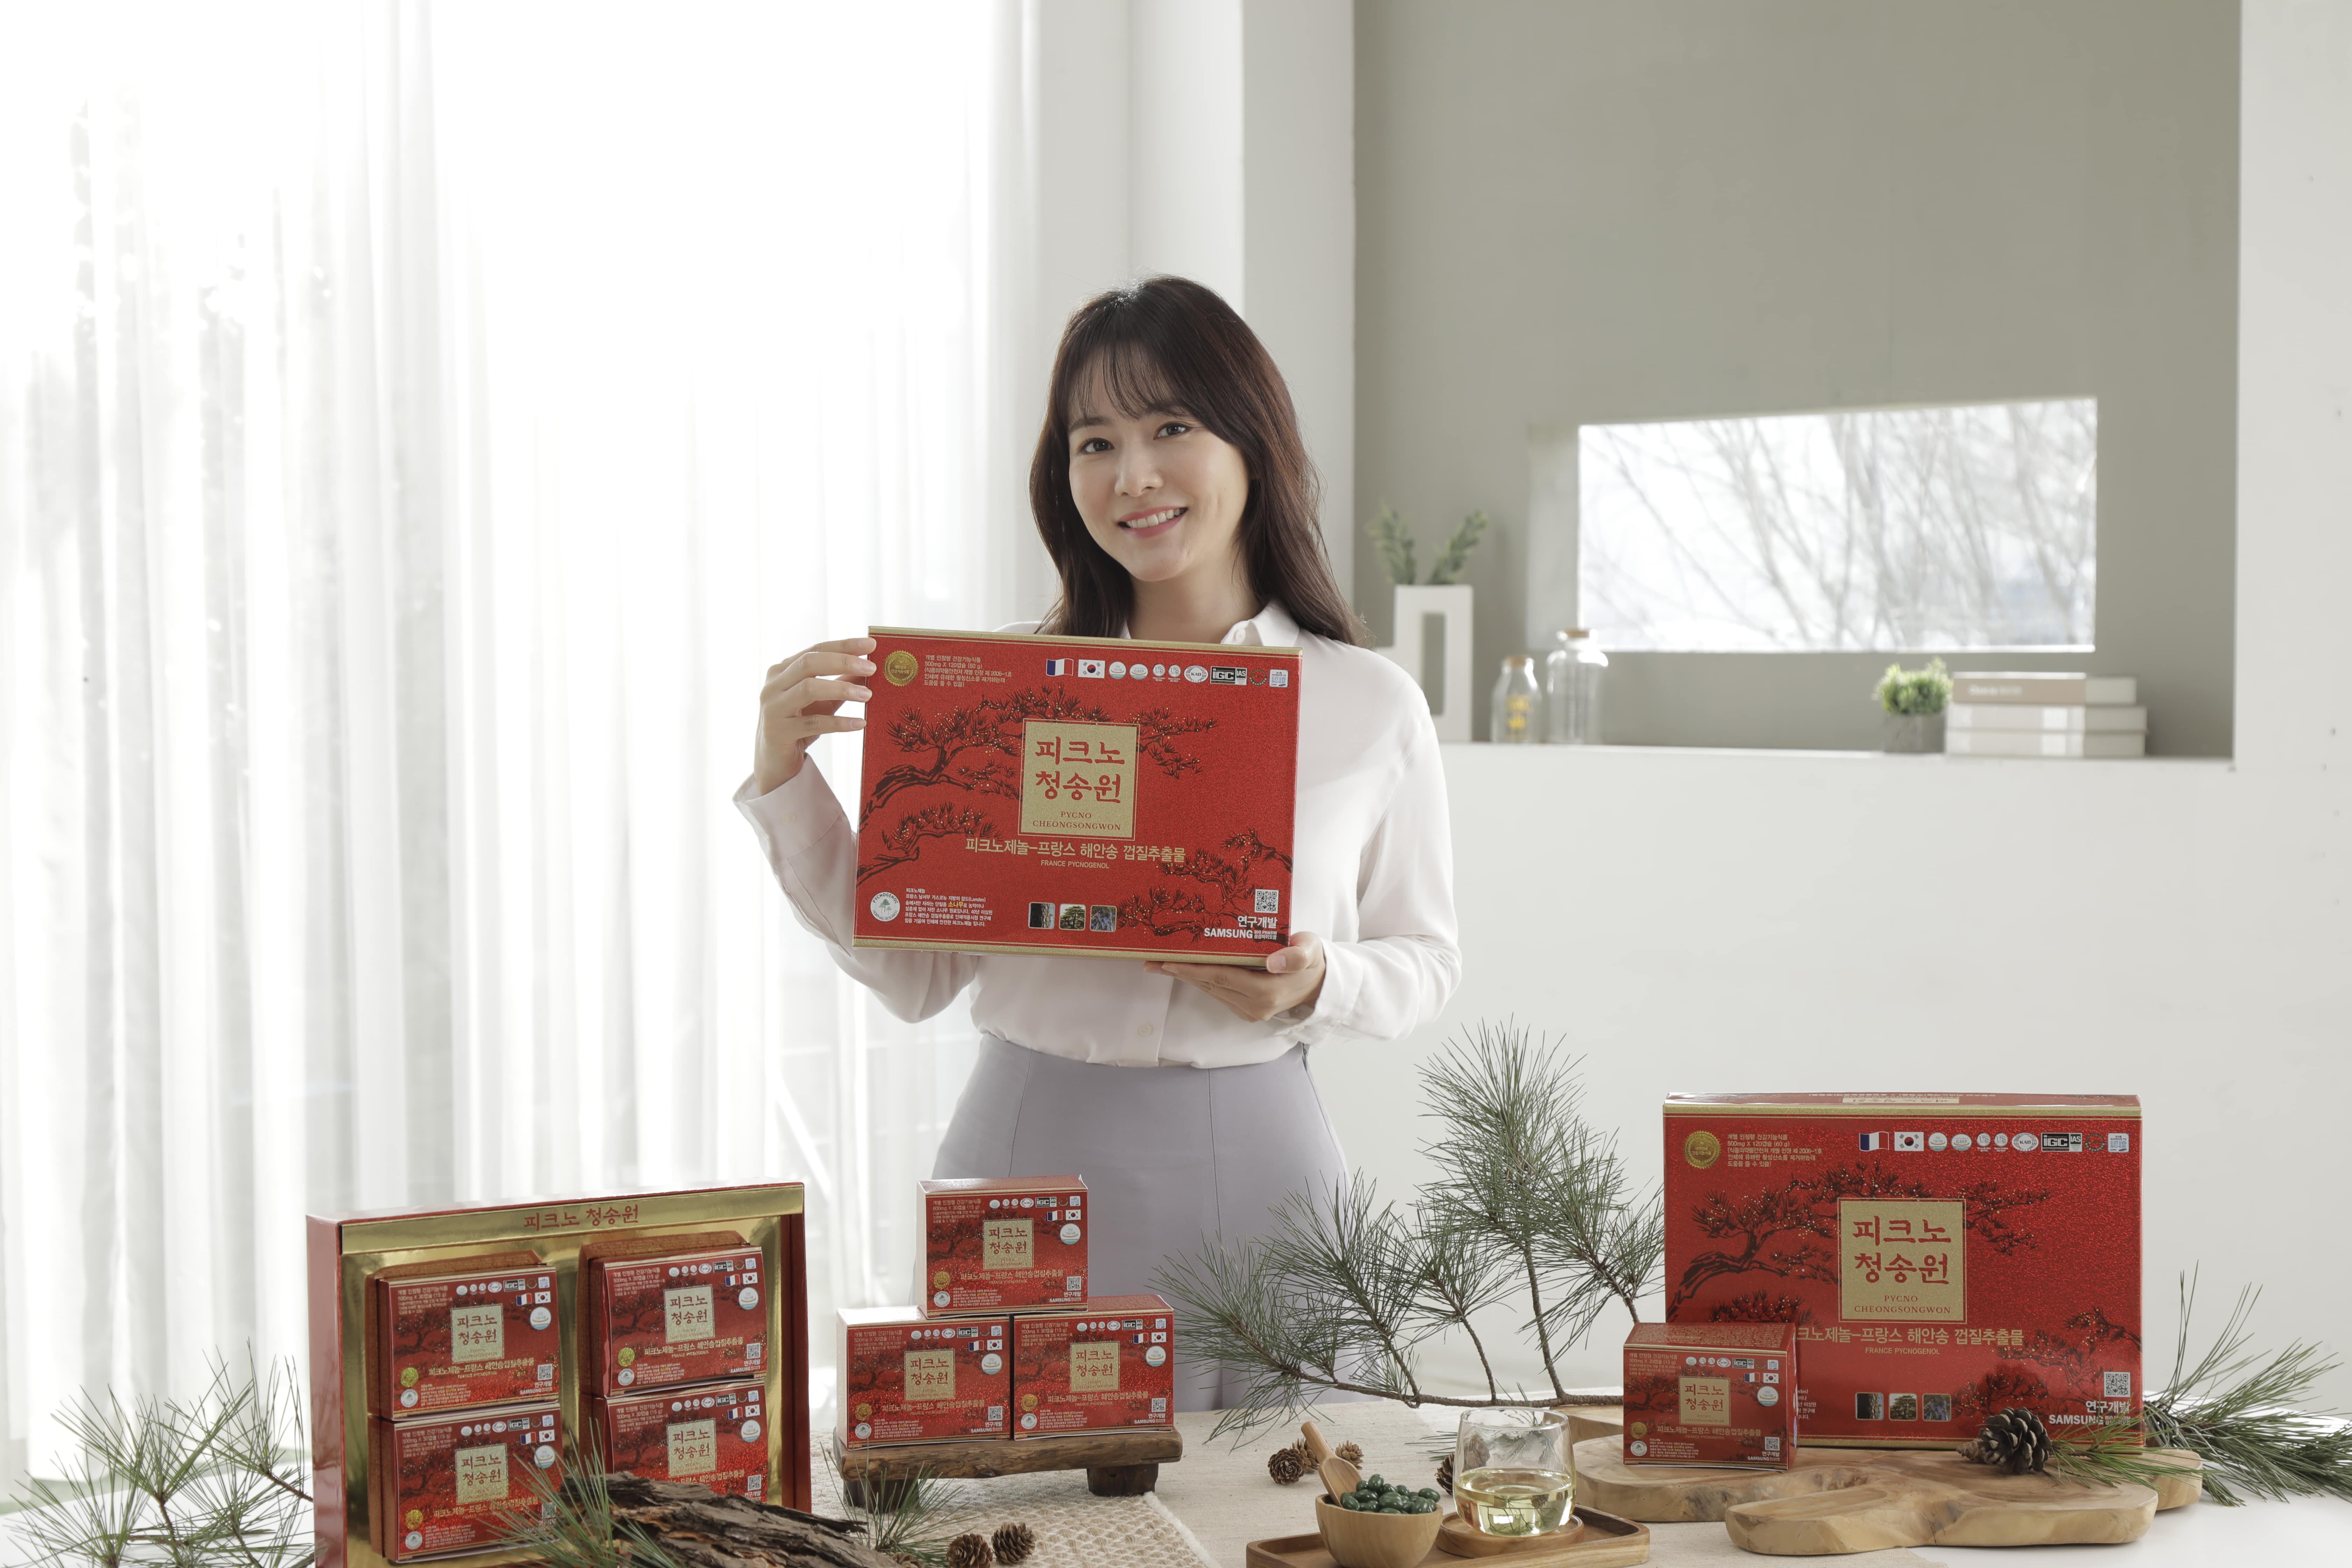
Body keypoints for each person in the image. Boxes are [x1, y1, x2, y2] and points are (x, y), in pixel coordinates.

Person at [737, 276, 1458, 1409]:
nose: (1134, 477)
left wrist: (1319, 981)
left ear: (1253, 444)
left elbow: (1426, 958)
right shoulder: (997, 694)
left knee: (1279, 1482)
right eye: (1096, 443)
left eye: (1172, 428)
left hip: (1261, 1156)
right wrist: (789, 778)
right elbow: (915, 974)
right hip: (1029, 1145)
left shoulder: (1367, 702)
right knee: (1015, 1476)